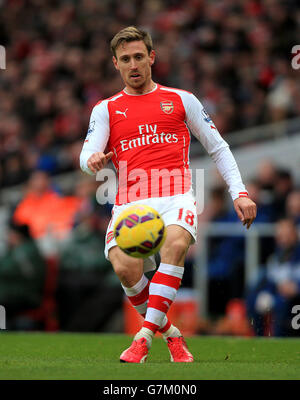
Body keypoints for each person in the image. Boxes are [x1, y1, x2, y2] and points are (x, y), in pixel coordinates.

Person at [79, 26, 257, 363]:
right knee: (124, 268)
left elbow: (218, 147)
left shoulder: (181, 99)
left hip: (175, 195)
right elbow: (85, 155)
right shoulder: (106, 109)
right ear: (115, 64)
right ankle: (172, 336)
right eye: (125, 59)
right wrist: (91, 162)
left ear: (151, 57)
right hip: (130, 202)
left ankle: (142, 339)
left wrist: (240, 192)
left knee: (175, 245)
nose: (133, 65)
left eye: (139, 57)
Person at [246, 219, 300, 337]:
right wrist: (265, 293)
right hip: (278, 294)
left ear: (294, 236)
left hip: (293, 297)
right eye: (281, 236)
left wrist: (296, 287)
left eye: (287, 235)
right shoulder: (276, 257)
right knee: (253, 299)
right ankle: (258, 338)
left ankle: (279, 338)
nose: (284, 240)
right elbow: (270, 281)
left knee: (282, 303)